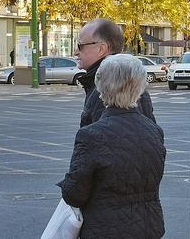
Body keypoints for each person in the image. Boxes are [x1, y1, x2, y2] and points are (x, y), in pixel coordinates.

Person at [57, 54, 166, 238]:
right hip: (149, 227)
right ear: (139, 88)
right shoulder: (154, 131)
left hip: (104, 229)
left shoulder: (91, 136)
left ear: (101, 87)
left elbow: (75, 194)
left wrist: (66, 184)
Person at [75, 18, 155, 127]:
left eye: (80, 45)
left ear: (101, 49)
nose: (76, 52)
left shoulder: (107, 85)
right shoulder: (126, 79)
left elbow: (105, 139)